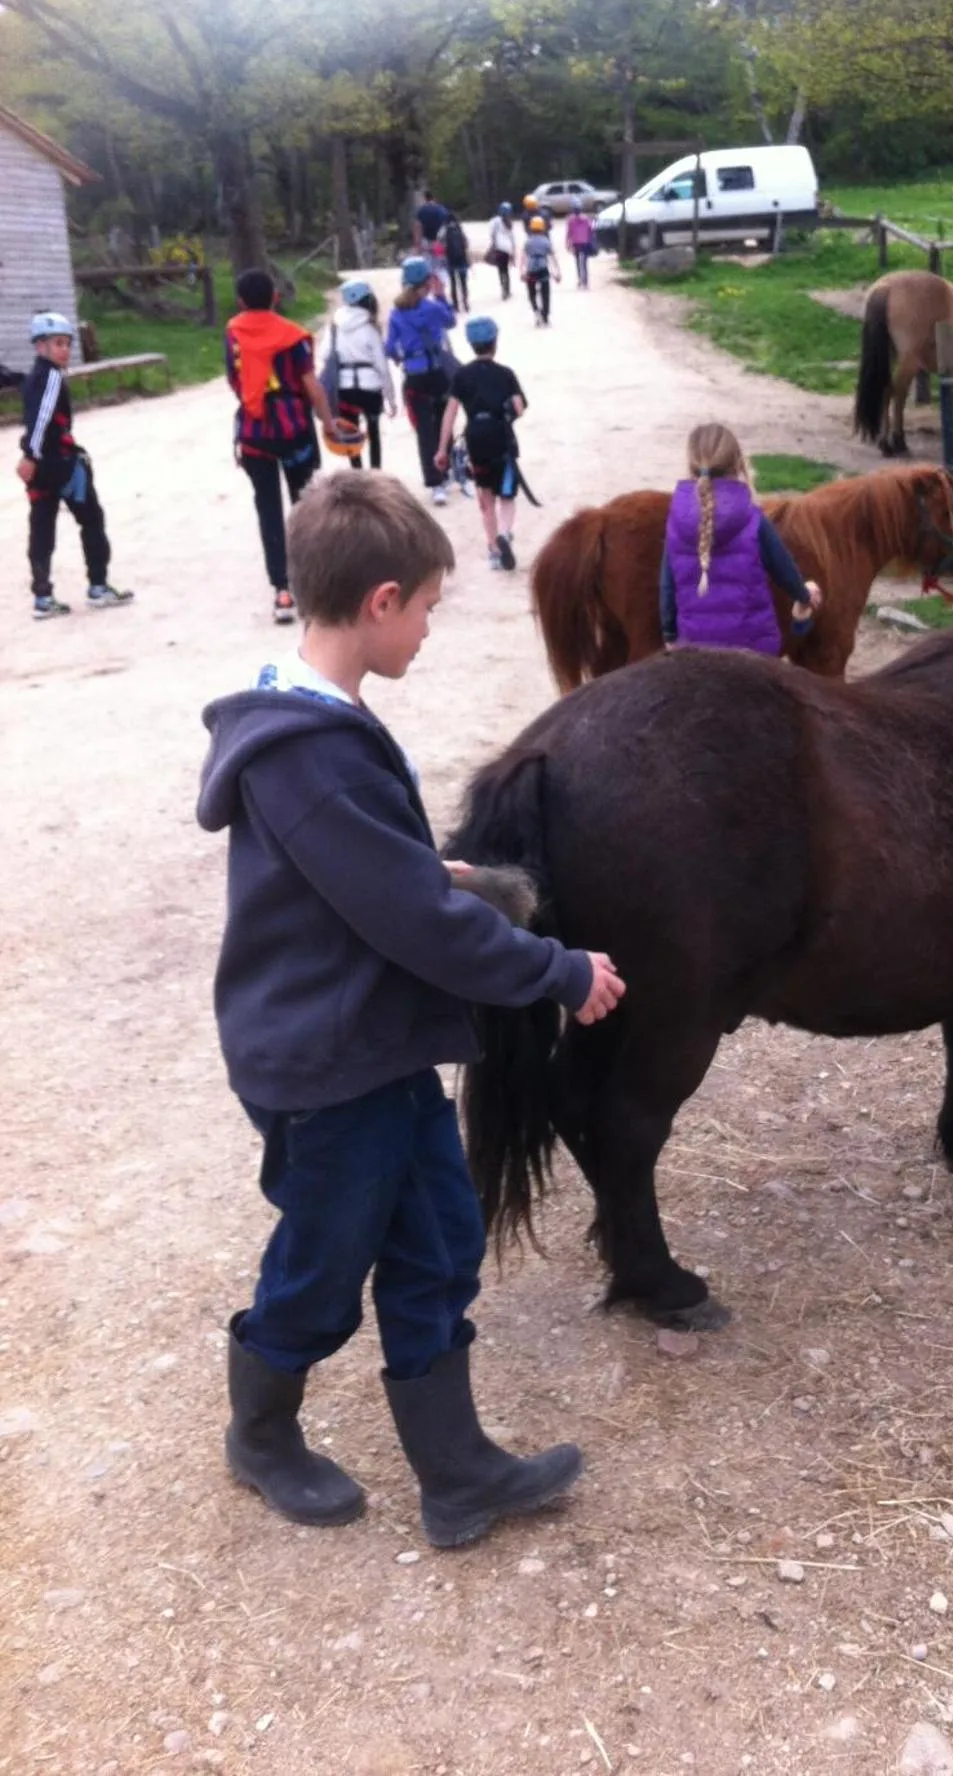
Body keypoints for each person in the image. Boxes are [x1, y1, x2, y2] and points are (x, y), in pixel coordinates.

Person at [197, 467, 625, 1547]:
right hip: (326, 1064)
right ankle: (261, 1433)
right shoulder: (312, 756)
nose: (432, 627)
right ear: (381, 600)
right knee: (327, 1260)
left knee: (437, 1238)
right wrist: (559, 970)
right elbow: (414, 925)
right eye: (428, 605)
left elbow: (366, 876)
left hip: (378, 1049)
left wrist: (432, 867)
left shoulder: (320, 728)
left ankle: (456, 1471)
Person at [226, 268, 340, 624]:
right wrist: (329, 422)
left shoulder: (233, 332)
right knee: (307, 507)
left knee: (268, 508)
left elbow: (235, 378)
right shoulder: (294, 336)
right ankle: (318, 589)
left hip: (255, 431)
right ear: (275, 297)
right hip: (295, 429)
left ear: (241, 301)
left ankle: (283, 591)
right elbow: (311, 385)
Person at [661, 423, 821, 654]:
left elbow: (667, 588)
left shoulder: (676, 521)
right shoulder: (752, 519)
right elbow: (785, 572)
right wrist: (805, 595)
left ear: (690, 467)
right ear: (738, 464)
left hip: (694, 655)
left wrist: (670, 636)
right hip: (753, 653)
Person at [18, 311, 132, 619]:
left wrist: (30, 457)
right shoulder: (52, 376)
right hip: (61, 463)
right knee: (91, 519)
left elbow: (31, 417)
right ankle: (98, 586)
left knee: (41, 526)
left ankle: (42, 597)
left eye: (68, 343)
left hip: (40, 469)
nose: (65, 350)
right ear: (40, 346)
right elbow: (42, 420)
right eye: (58, 343)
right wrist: (31, 454)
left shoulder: (33, 377)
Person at [435, 316, 526, 572]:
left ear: (471, 344)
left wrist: (443, 449)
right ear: (494, 343)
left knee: (485, 496)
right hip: (501, 437)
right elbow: (518, 407)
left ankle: (494, 550)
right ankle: (506, 534)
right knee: (507, 493)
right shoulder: (506, 374)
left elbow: (450, 414)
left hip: (476, 438)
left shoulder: (461, 376)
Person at [385, 258, 457, 508]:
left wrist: (401, 358)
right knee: (444, 424)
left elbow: (389, 347)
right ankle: (447, 471)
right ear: (427, 282)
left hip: (415, 377)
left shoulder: (396, 313)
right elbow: (451, 321)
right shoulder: (432, 308)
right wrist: (442, 296)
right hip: (438, 373)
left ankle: (435, 484)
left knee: (425, 431)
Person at [329, 279, 396, 472]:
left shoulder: (335, 326)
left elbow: (325, 354)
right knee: (373, 431)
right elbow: (382, 367)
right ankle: (375, 474)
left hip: (344, 387)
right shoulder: (370, 328)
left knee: (351, 434)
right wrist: (390, 398)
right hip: (369, 387)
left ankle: (357, 473)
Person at [522, 217, 561, 326]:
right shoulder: (546, 241)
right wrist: (557, 272)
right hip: (543, 269)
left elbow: (524, 257)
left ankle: (536, 311)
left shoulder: (528, 242)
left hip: (531, 270)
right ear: (542, 228)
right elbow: (553, 257)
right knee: (545, 293)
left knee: (531, 292)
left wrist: (522, 271)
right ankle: (545, 316)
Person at [412, 187, 451, 285]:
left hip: (426, 242)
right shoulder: (443, 210)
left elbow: (418, 228)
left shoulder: (421, 211)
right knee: (441, 267)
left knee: (428, 267)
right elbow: (447, 227)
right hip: (440, 243)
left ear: (425, 198)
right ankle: (441, 287)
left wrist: (417, 245)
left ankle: (430, 287)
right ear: (434, 198)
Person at [485, 202, 517, 301]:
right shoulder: (510, 223)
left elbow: (492, 235)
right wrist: (513, 251)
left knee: (501, 270)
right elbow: (512, 238)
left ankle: (503, 289)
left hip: (499, 248)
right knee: (506, 270)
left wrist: (493, 246)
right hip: (507, 249)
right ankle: (507, 290)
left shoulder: (495, 221)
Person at [442, 213, 472, 313]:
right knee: (463, 283)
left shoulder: (444, 230)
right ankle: (465, 303)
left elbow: (440, 245)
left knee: (453, 283)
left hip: (450, 261)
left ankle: (456, 305)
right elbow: (466, 243)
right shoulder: (460, 229)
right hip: (462, 259)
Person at [564, 198, 595, 289]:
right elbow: (591, 230)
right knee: (584, 263)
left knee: (577, 262)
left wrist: (567, 243)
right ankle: (585, 282)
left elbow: (569, 232)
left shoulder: (570, 219)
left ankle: (580, 280)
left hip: (576, 243)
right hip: (585, 243)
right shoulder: (586, 218)